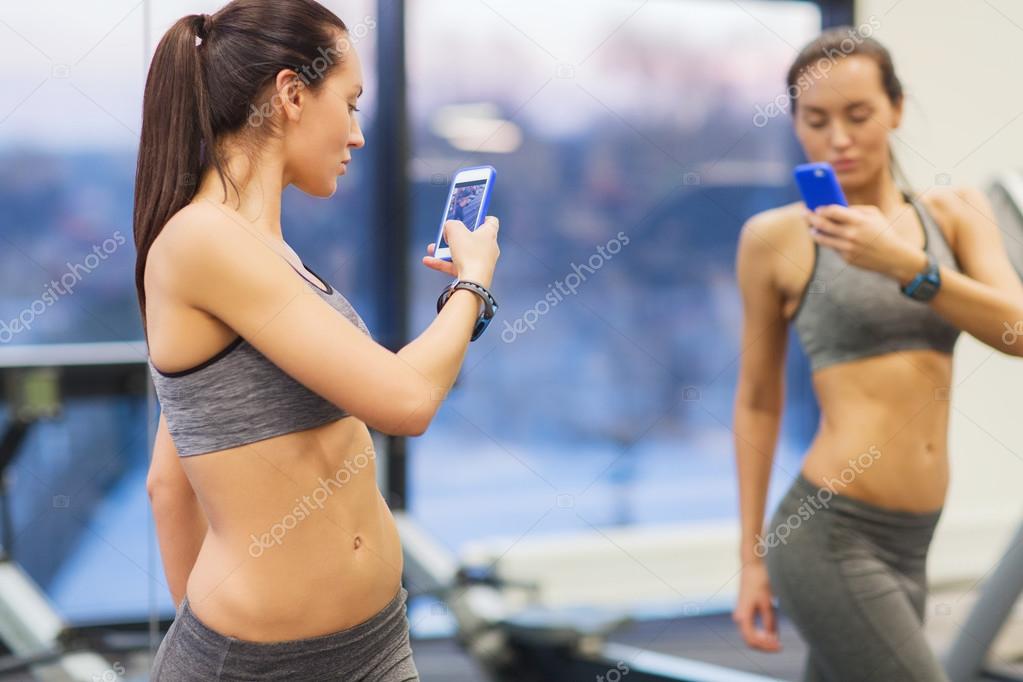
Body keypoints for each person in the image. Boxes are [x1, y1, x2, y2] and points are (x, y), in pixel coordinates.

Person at [136, 1, 500, 679]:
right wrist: (472, 284)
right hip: (263, 664)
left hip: (376, 641)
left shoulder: (264, 253)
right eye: (351, 103)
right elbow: (406, 401)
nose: (357, 135)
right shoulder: (203, 241)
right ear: (292, 94)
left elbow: (168, 481)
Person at [732, 28, 1023, 681]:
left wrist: (906, 265)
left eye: (858, 115)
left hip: (914, 539)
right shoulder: (773, 239)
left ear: (895, 108)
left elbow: (1018, 333)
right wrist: (750, 560)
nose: (838, 138)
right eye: (816, 121)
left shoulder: (954, 213)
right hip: (830, 533)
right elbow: (756, 401)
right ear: (796, 125)